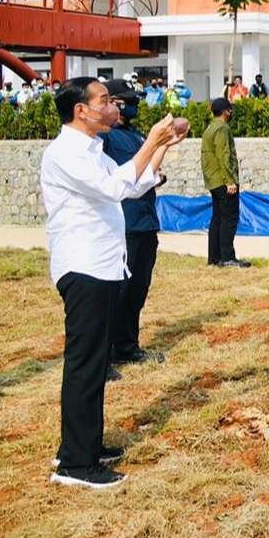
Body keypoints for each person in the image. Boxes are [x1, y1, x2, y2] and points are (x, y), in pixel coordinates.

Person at [42, 78, 183, 489]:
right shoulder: (64, 152)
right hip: (83, 267)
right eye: (104, 101)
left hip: (103, 265)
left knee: (95, 362)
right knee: (85, 364)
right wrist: (150, 140)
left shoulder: (93, 150)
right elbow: (113, 186)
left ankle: (86, 445)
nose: (113, 107)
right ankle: (75, 464)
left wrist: (162, 146)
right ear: (81, 110)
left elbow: (133, 185)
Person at [95, 80, 167, 367]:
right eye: (126, 100)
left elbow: (147, 171)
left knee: (137, 289)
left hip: (145, 219)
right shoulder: (107, 139)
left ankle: (127, 345)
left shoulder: (135, 136)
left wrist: (165, 143)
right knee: (117, 293)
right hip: (124, 223)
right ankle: (103, 355)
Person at [201, 97, 246, 268]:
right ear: (225, 111)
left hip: (213, 180)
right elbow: (224, 155)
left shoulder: (210, 128)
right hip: (223, 180)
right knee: (229, 218)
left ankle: (214, 258)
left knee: (217, 219)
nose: (231, 112)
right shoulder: (222, 129)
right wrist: (230, 181)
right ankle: (227, 257)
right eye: (230, 109)